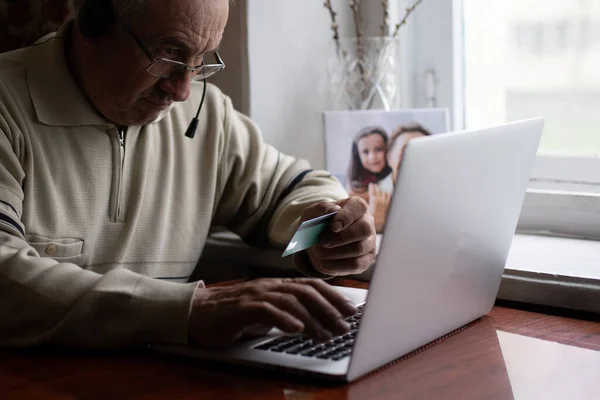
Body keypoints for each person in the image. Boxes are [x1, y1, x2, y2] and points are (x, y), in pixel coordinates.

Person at [0, 0, 377, 348]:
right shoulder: (7, 104)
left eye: (200, 60)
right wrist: (191, 309)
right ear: (93, 19)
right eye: (168, 53)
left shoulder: (205, 112)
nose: (181, 91)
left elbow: (290, 188)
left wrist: (328, 230)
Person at [368, 123, 432, 232]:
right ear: (389, 157)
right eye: (406, 151)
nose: (415, 160)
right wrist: (374, 225)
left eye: (423, 152)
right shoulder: (371, 199)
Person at [345, 126, 394, 201]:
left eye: (378, 149)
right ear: (358, 156)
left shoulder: (394, 177)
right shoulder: (353, 186)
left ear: (388, 150)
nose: (372, 157)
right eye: (365, 152)